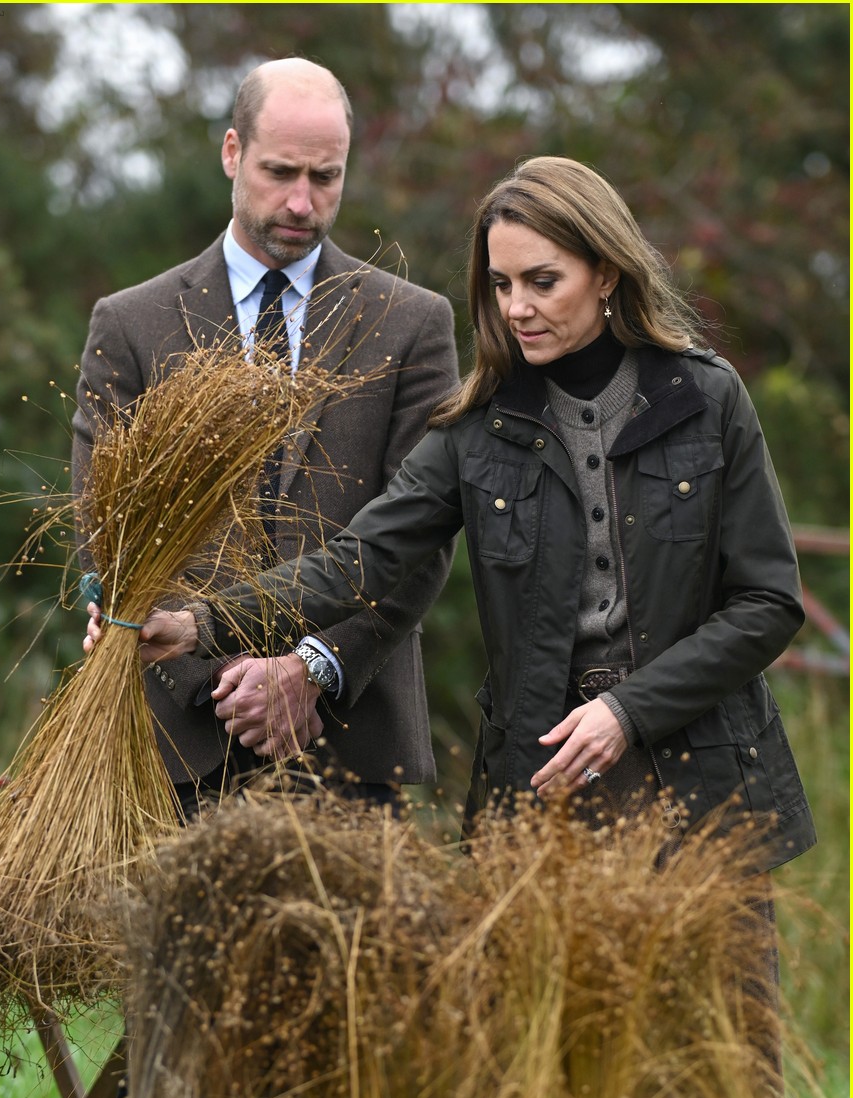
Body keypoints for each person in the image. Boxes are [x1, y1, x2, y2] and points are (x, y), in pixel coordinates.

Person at [123, 154, 815, 880]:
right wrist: (200, 624)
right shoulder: (476, 428)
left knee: (714, 1000)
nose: (517, 307)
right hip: (539, 787)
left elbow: (767, 603)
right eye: (502, 284)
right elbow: (357, 563)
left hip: (704, 787)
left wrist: (627, 711)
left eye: (543, 282)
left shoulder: (705, 399)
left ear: (605, 273)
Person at [73, 57, 458, 816]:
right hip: (172, 749)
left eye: (326, 178)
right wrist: (220, 676)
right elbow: (103, 529)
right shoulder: (131, 324)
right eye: (281, 172)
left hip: (351, 744)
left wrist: (312, 668)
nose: (302, 202)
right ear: (231, 153)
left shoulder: (413, 322)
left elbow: (422, 534)